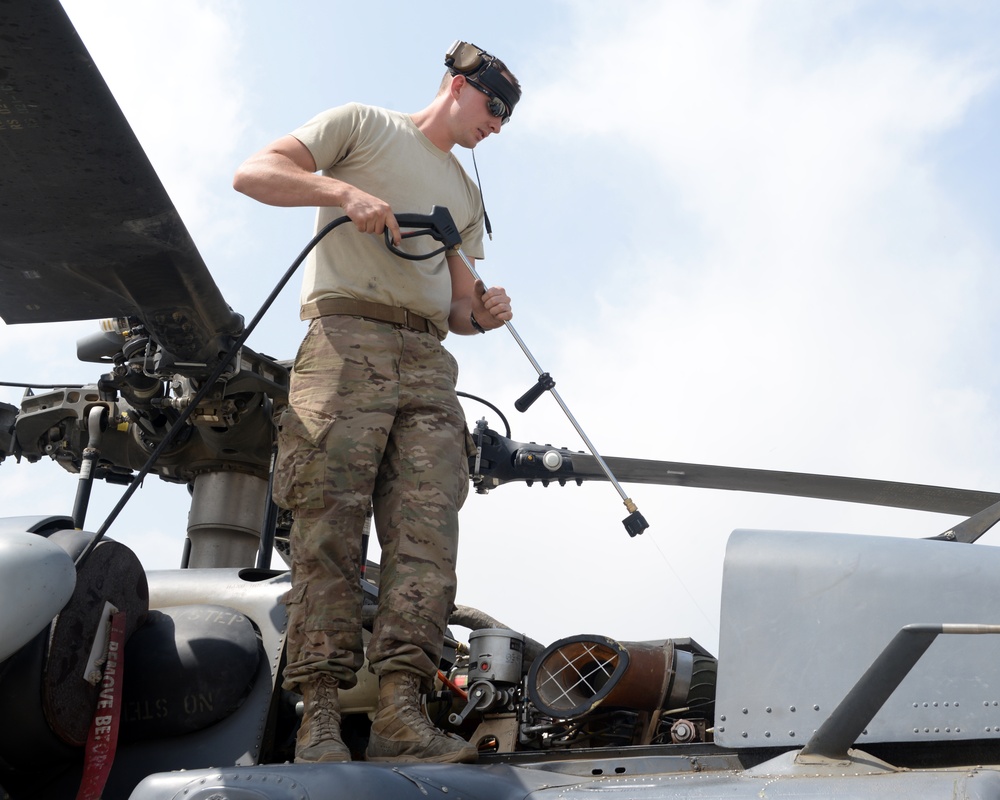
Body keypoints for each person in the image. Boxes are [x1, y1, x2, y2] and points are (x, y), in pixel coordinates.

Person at [233, 42, 520, 765]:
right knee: (328, 525)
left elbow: (458, 304)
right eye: (493, 107)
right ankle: (319, 717)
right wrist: (342, 193)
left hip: (427, 358)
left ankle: (401, 709)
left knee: (426, 534)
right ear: (457, 86)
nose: (499, 124)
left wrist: (482, 311)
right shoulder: (362, 125)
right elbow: (255, 173)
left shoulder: (465, 191)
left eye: (507, 118)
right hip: (345, 336)